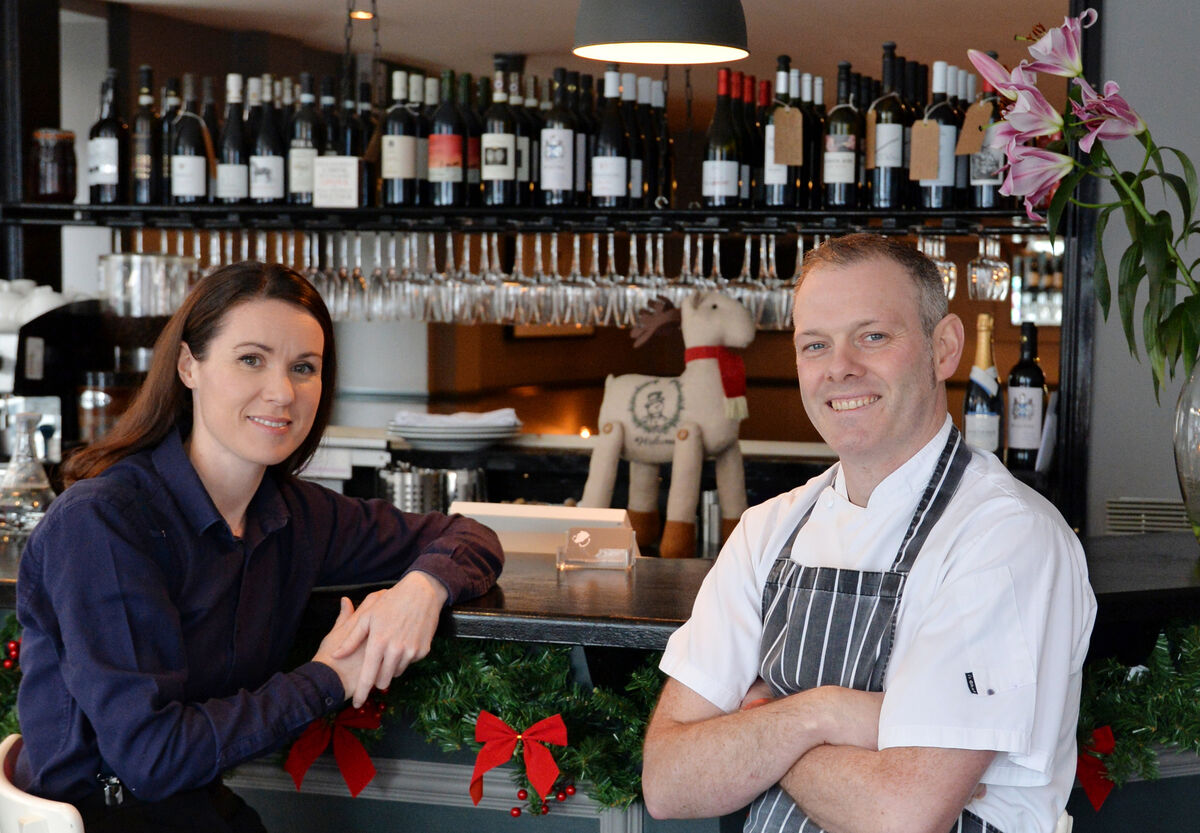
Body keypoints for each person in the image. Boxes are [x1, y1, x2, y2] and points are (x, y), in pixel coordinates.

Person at [14, 261, 504, 832]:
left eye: (304, 367)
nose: (282, 392)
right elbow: (153, 757)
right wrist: (330, 677)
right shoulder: (104, 522)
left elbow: (471, 535)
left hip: (197, 813)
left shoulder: (296, 513)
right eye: (251, 359)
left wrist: (423, 589)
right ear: (189, 366)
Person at [642, 234, 1096, 833]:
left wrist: (763, 723)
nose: (840, 368)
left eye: (873, 336)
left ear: (944, 348)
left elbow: (900, 815)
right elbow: (669, 781)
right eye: (815, 345)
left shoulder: (1005, 538)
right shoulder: (766, 530)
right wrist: (819, 715)